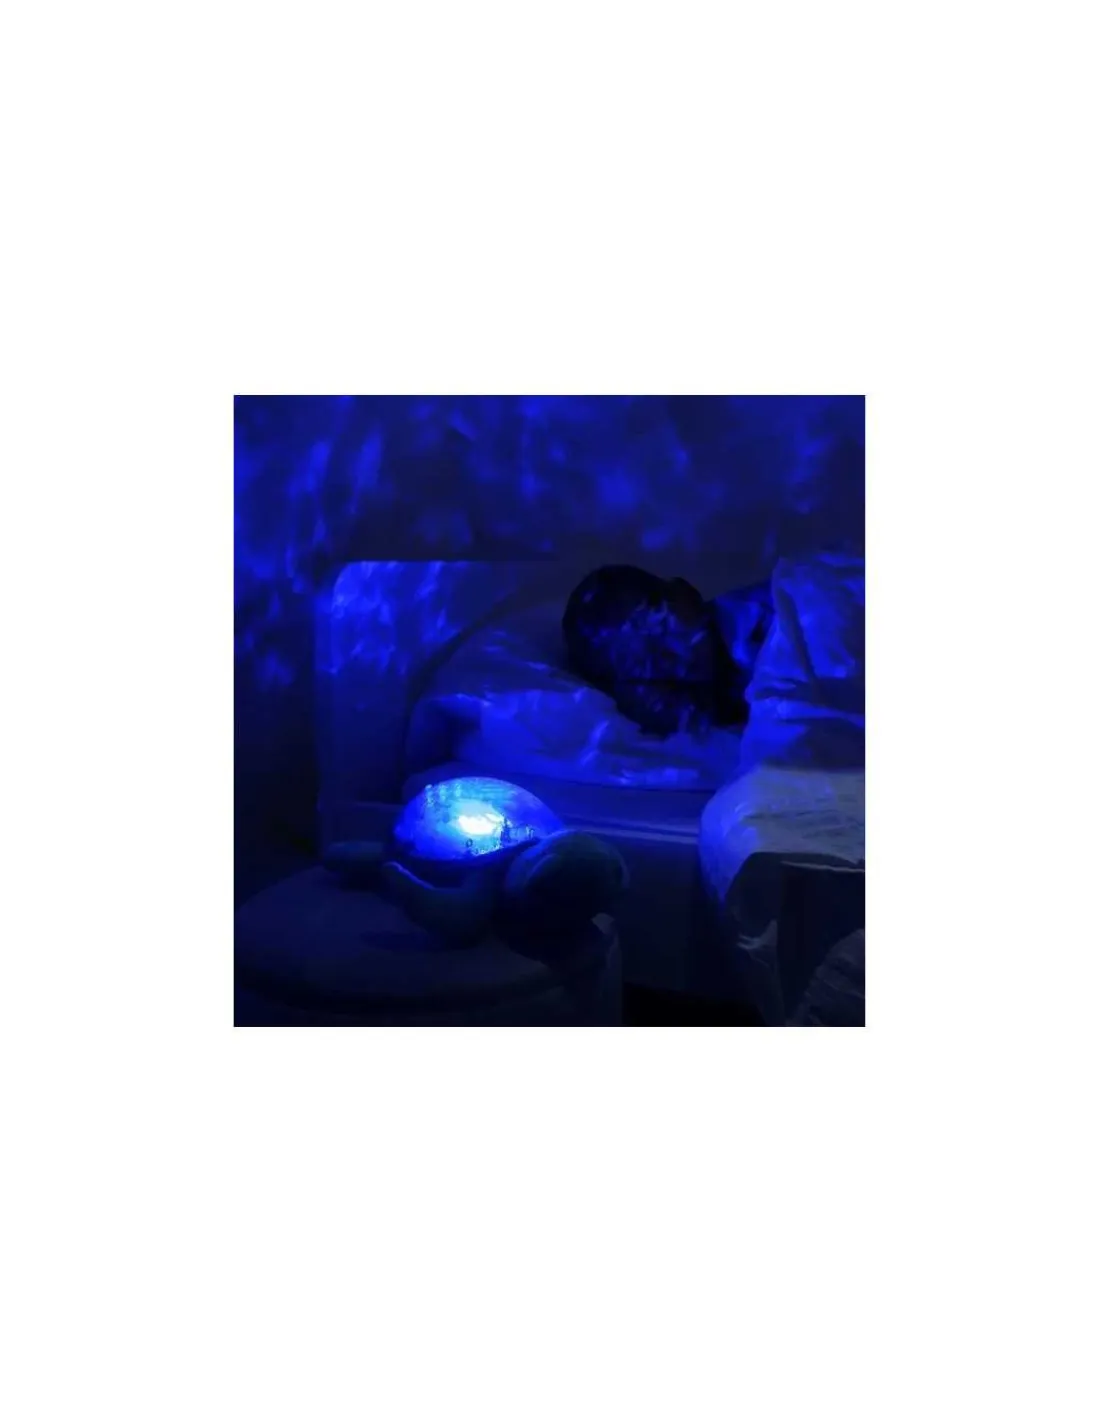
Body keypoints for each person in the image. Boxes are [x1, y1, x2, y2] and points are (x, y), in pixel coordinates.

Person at [562, 564, 769, 736]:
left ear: (684, 590)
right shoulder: (713, 691)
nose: (674, 653)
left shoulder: (774, 619)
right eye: (647, 664)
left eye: (659, 618)